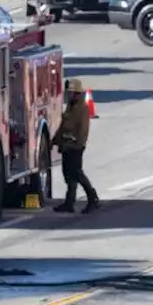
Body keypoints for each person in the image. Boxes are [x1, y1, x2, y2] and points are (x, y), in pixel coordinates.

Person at [54, 79, 100, 214]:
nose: (69, 95)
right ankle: (69, 202)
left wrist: (78, 145)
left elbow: (83, 130)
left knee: (77, 173)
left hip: (75, 147)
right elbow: (63, 126)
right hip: (66, 145)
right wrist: (55, 141)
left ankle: (92, 198)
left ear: (77, 94)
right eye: (68, 93)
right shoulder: (70, 107)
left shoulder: (83, 109)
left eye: (71, 93)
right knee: (69, 175)